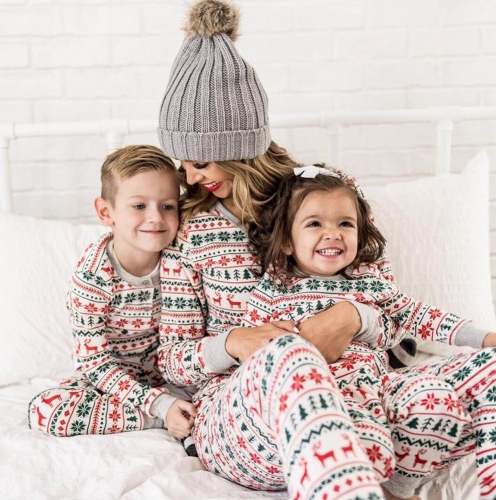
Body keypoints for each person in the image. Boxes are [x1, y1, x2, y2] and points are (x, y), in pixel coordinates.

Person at [157, 1, 400, 498]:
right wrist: (233, 343)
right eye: (183, 165)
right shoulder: (190, 230)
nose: (191, 179)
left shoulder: (326, 196)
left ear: (238, 151)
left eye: (201, 162)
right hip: (239, 413)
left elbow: (396, 313)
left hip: (352, 394)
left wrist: (351, 317)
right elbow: (172, 360)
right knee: (288, 357)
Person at [243, 164, 496, 499]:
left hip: (379, 388)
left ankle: (399, 490)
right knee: (372, 447)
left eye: (345, 224)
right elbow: (252, 355)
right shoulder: (273, 292)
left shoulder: (369, 284)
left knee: (436, 401)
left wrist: (485, 338)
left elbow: (423, 316)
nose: (333, 233)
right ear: (287, 242)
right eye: (315, 223)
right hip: (327, 399)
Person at [28, 145, 197, 448]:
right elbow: (95, 364)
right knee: (46, 410)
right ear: (106, 212)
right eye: (139, 206)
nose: (155, 217)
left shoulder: (183, 256)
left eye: (168, 206)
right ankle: (164, 416)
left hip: (175, 374)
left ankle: (182, 407)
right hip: (112, 381)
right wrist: (158, 404)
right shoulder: (93, 278)